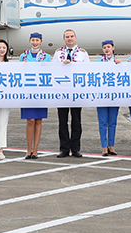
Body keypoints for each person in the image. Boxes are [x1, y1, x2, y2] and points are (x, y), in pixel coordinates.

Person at [53, 29, 89, 158]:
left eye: (72, 36)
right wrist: (62, 65)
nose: (70, 39)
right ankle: (64, 148)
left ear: (75, 38)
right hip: (62, 91)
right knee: (62, 121)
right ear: (64, 39)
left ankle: (75, 148)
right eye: (67, 37)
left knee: (76, 121)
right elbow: (53, 70)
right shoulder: (58, 53)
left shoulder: (83, 53)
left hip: (76, 91)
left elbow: (87, 70)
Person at [20, 32, 50, 159]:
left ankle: (36, 149)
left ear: (41, 42)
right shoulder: (23, 56)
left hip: (41, 92)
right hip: (28, 91)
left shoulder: (46, 57)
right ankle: (28, 149)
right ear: (30, 41)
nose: (35, 42)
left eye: (37, 40)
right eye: (33, 40)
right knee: (30, 120)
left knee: (38, 120)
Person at [96, 40, 121, 157]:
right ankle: (104, 146)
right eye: (104, 47)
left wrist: (120, 65)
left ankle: (111, 145)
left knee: (112, 122)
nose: (107, 49)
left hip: (114, 96)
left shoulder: (118, 62)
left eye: (108, 47)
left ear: (113, 48)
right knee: (103, 122)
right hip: (102, 96)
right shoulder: (98, 62)